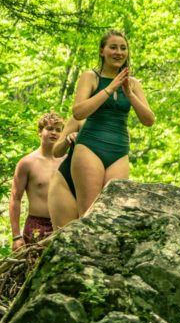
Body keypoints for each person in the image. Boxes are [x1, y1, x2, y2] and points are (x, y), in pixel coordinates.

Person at [71, 30, 154, 216]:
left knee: (112, 212)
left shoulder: (133, 83)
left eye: (123, 48)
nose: (119, 52)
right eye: (113, 47)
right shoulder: (90, 77)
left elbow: (149, 120)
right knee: (89, 213)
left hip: (119, 149)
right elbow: (78, 112)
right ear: (102, 51)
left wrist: (130, 94)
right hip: (90, 146)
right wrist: (110, 88)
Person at [10, 112, 64, 250]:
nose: (54, 133)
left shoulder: (67, 161)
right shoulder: (27, 163)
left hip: (64, 223)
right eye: (50, 128)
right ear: (40, 131)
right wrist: (16, 236)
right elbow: (15, 198)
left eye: (58, 130)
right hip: (36, 225)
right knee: (32, 269)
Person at [47, 116, 84, 229]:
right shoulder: (79, 118)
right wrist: (68, 139)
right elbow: (56, 152)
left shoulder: (120, 124)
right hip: (66, 181)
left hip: (97, 183)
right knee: (64, 234)